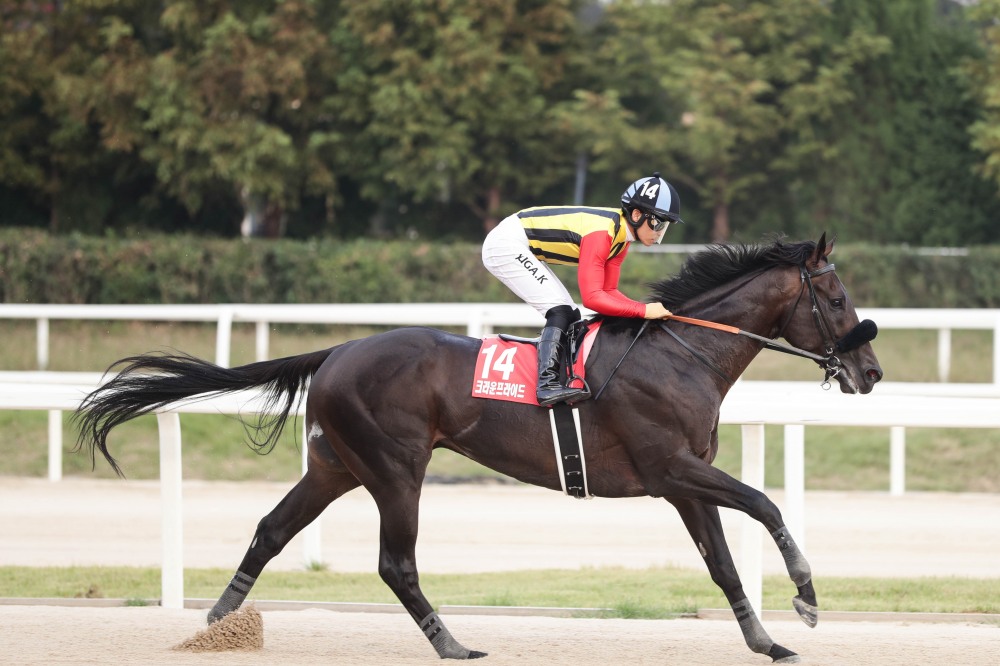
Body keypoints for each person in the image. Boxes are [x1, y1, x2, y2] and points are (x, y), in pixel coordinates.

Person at [482, 172, 683, 406]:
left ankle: (560, 378)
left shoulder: (621, 241)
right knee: (562, 312)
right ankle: (546, 385)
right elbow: (593, 298)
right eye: (658, 222)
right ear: (637, 215)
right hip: (505, 244)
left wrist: (643, 309)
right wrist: (642, 310)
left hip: (520, 243)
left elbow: (609, 292)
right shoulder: (602, 233)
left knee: (571, 314)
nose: (660, 231)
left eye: (664, 225)